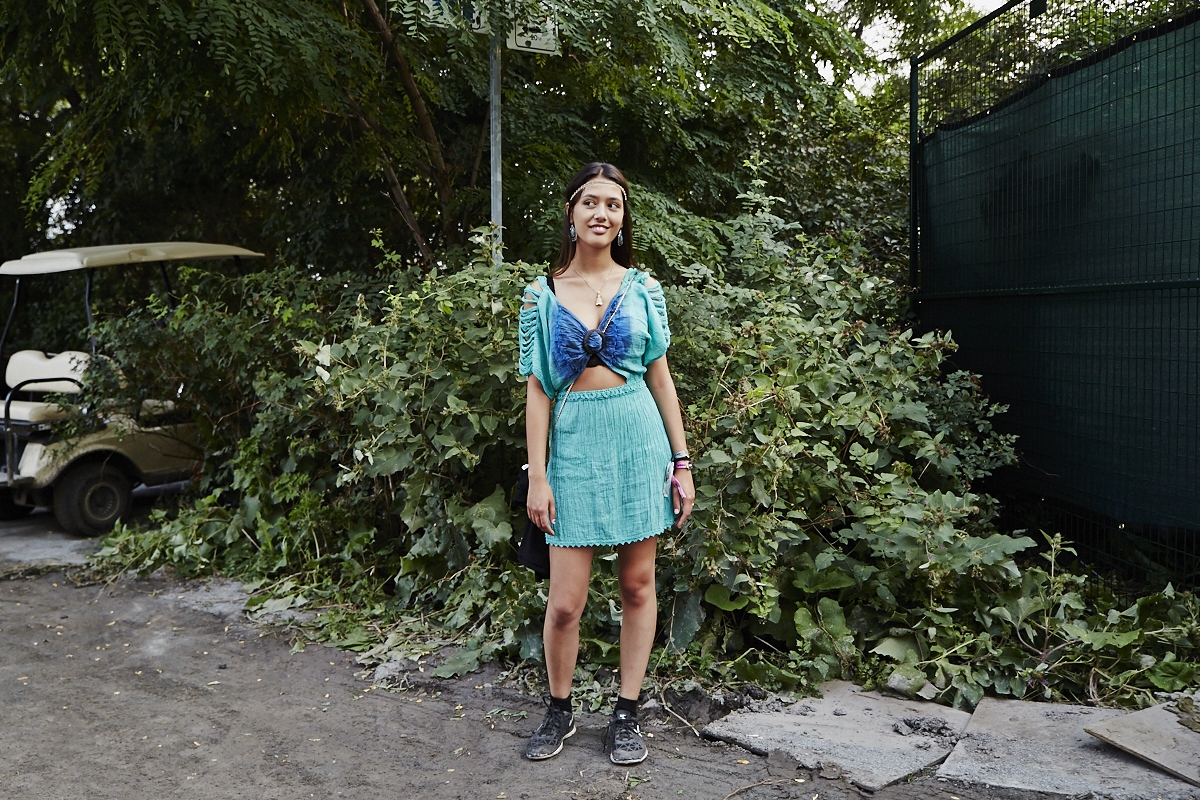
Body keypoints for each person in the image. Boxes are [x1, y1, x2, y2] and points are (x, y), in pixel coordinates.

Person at [518, 162, 695, 765]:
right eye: (590, 202)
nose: (602, 213)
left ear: (622, 220)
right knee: (565, 601)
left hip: (638, 441)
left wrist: (682, 460)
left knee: (637, 585)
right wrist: (537, 475)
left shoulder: (644, 289)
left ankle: (626, 712)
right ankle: (559, 708)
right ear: (570, 214)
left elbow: (662, 380)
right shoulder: (541, 295)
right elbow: (538, 390)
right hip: (572, 451)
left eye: (613, 205)